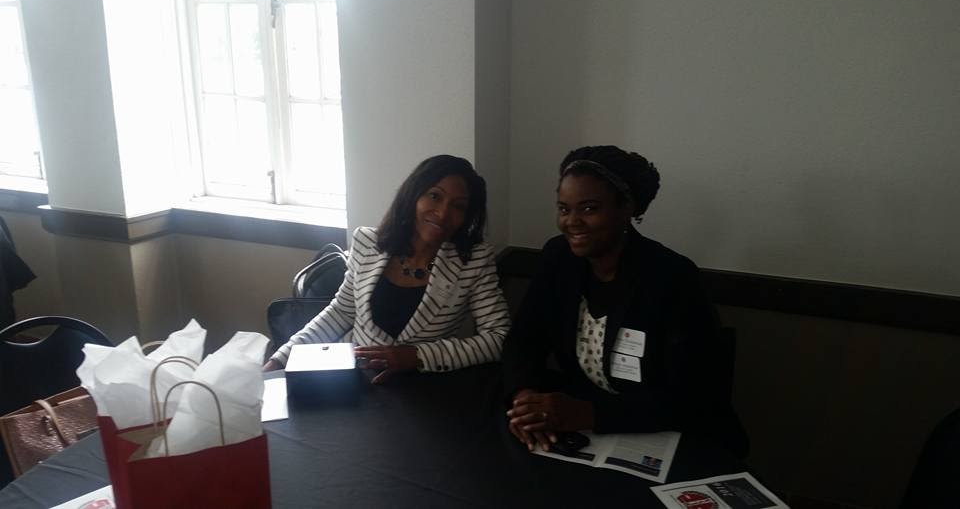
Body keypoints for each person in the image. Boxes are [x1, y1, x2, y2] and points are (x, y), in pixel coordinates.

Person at [501, 146, 747, 456]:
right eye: (564, 209)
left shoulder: (672, 277)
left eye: (589, 208)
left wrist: (590, 413)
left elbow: (693, 397)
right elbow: (523, 341)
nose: (572, 221)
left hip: (670, 435)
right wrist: (525, 401)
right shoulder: (558, 258)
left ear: (627, 208)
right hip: (586, 433)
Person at [265, 155, 511, 383]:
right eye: (435, 196)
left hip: (426, 389)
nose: (443, 213)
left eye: (458, 206)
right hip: (355, 381)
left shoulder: (473, 261)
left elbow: (500, 337)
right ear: (413, 195)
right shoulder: (367, 243)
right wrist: (282, 358)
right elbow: (341, 312)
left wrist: (418, 356)